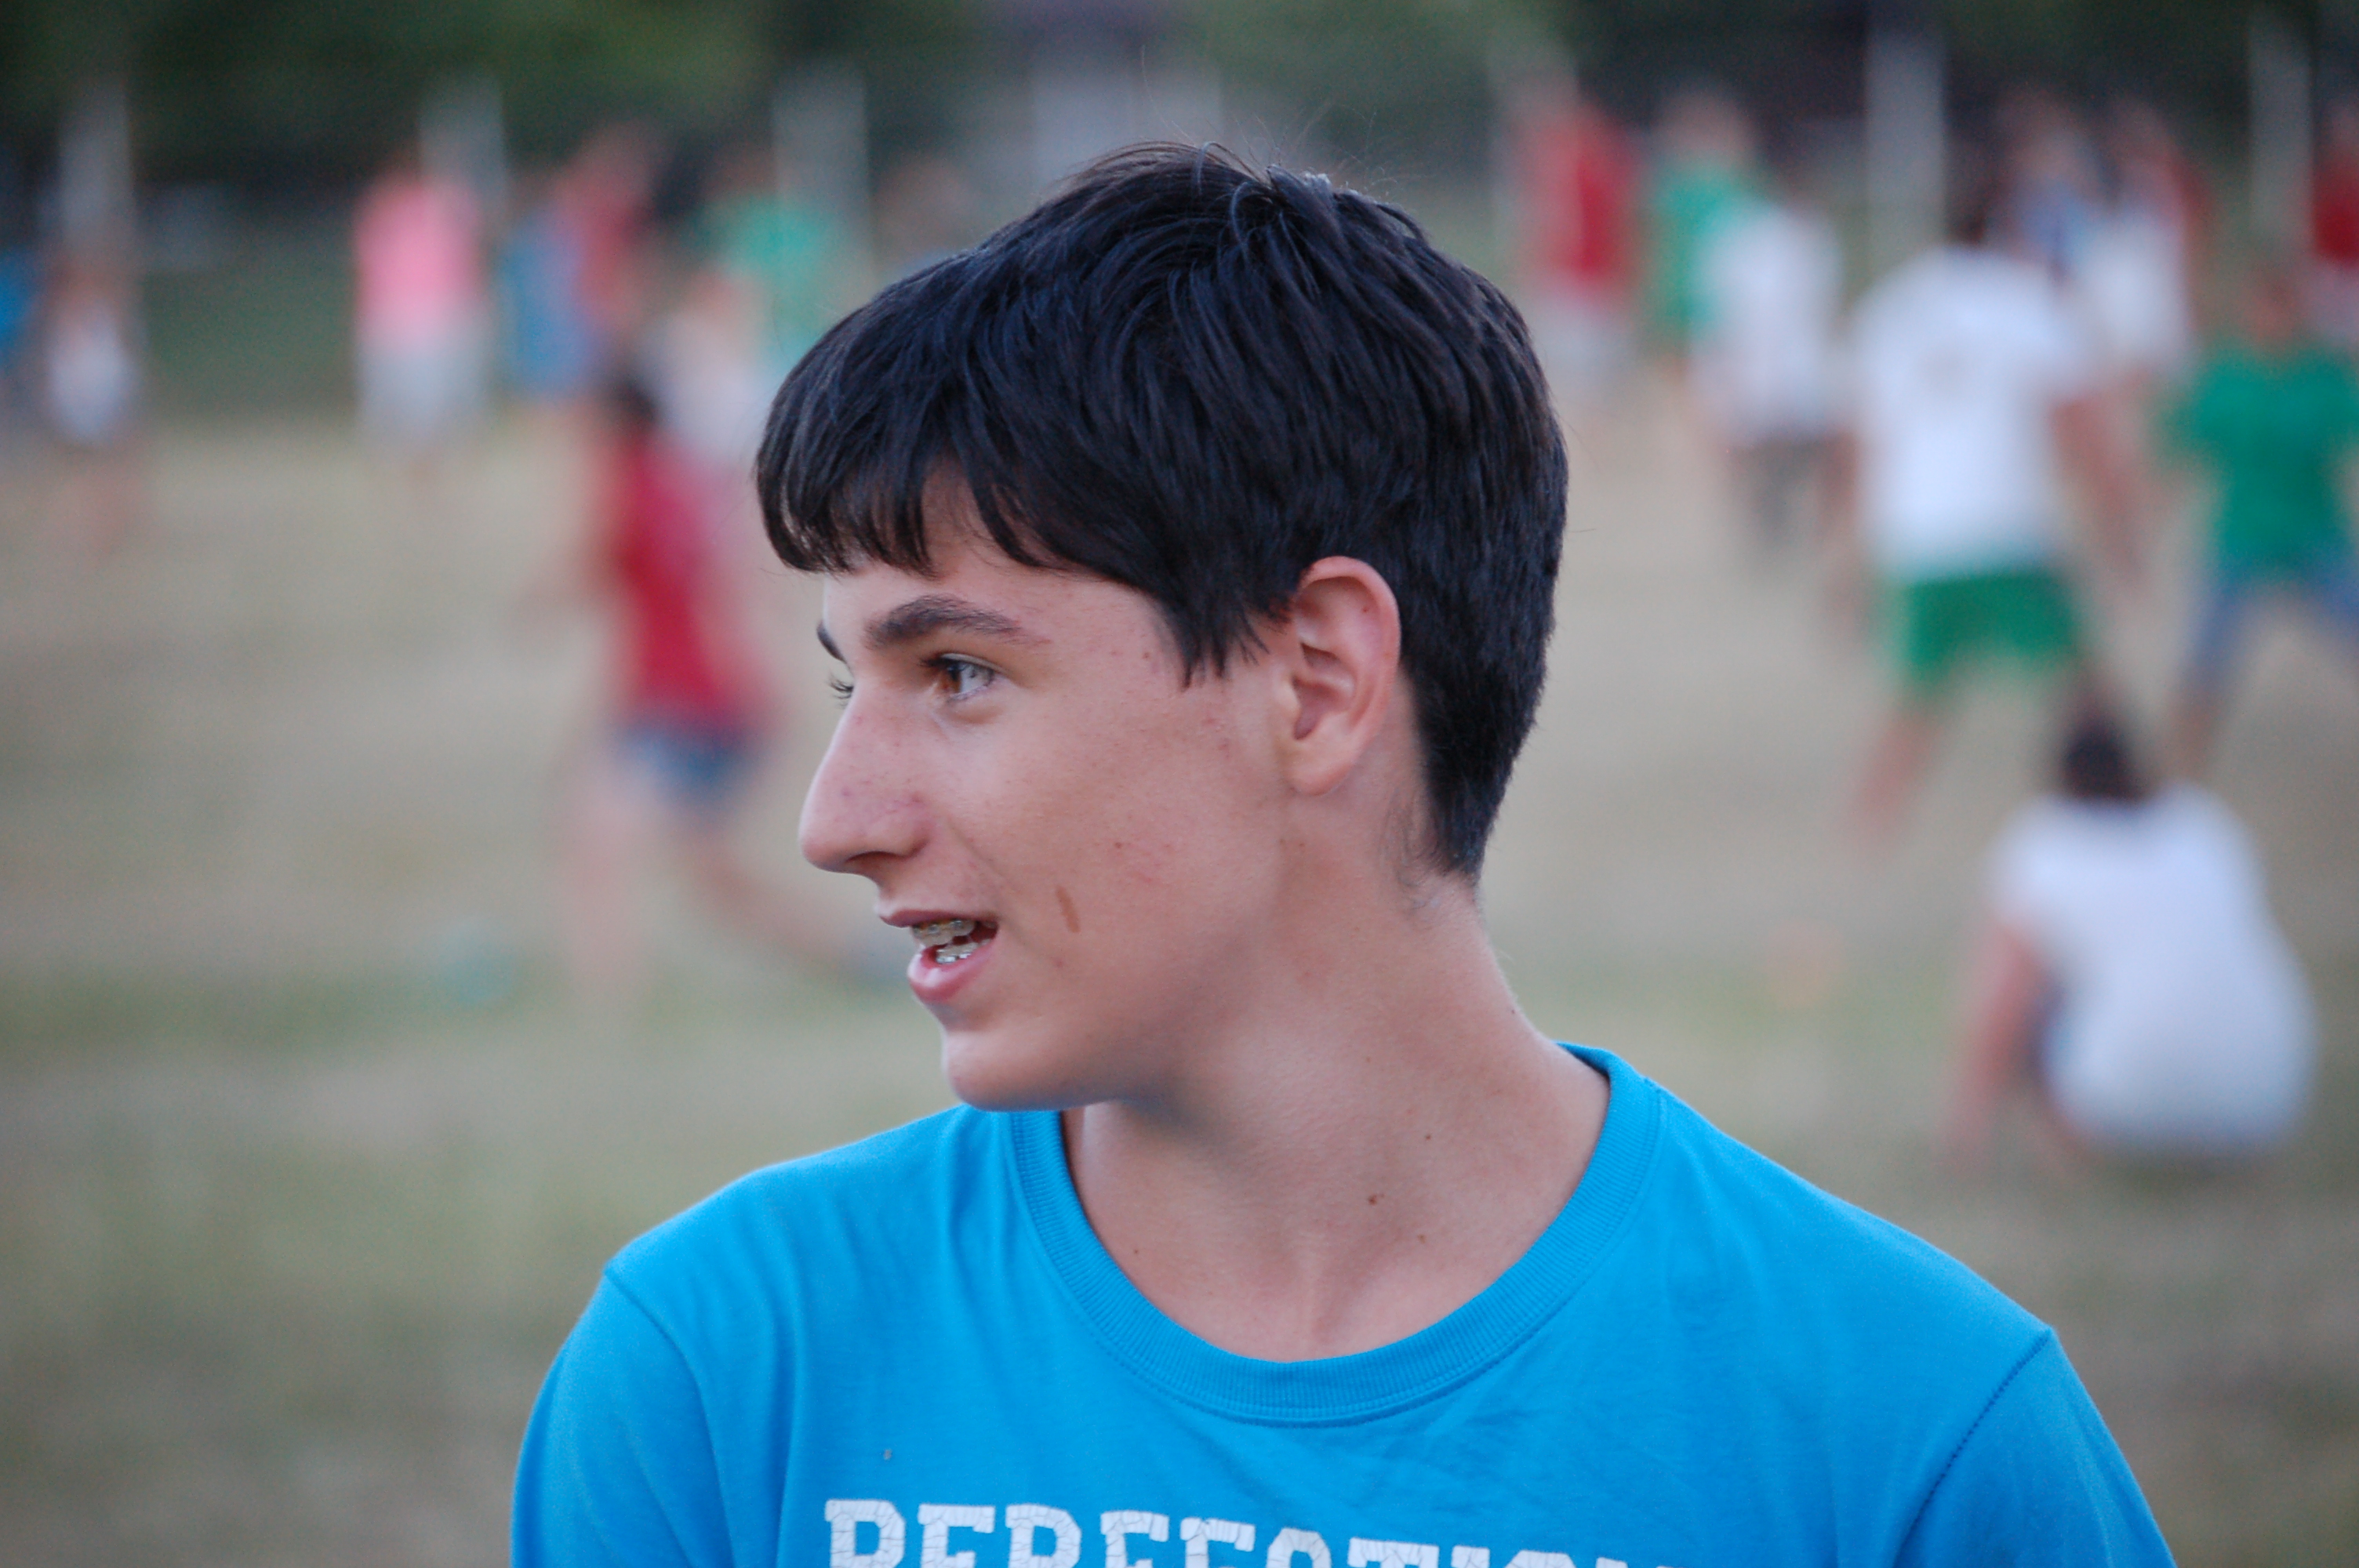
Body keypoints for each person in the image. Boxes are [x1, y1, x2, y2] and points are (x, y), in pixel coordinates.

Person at [514, 147, 2171, 1566]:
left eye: (957, 673)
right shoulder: (723, 1380)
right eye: (848, 685)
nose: (833, 819)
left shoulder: (1909, 1450)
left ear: (1313, 682)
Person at [1836, 160, 2138, 840]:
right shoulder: (2029, 302)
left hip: (1915, 535)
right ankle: (2125, 808)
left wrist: (1852, 555)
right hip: (2005, 528)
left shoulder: (1892, 306)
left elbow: (1863, 442)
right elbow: (2081, 424)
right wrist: (2117, 528)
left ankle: (1868, 824)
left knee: (1917, 696)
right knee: (2082, 687)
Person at [551, 377, 837, 1007]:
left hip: (675, 707)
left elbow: (580, 568)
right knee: (719, 884)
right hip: (722, 705)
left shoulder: (625, 485)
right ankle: (862, 959)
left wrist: (534, 601)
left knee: (596, 844)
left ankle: (609, 1009)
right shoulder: (689, 483)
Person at [1944, 707, 2312, 1167]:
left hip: (2128, 1101)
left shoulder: (2045, 844)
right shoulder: (2201, 826)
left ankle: (2063, 1146)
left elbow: (2003, 1003)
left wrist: (1964, 1135)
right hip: (2264, 1096)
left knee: (2041, 996)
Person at [2164, 261, 2359, 775]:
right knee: (2205, 658)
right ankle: (2182, 769)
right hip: (2242, 533)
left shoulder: (2322, 377)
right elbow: (2180, 442)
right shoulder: (2226, 377)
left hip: (2313, 529)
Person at [1691, 149, 1845, 555]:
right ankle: (1766, 516)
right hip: (1765, 357)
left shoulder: (1800, 235)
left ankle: (1771, 514)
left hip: (1779, 358)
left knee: (1779, 448)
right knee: (1762, 446)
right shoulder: (1760, 236)